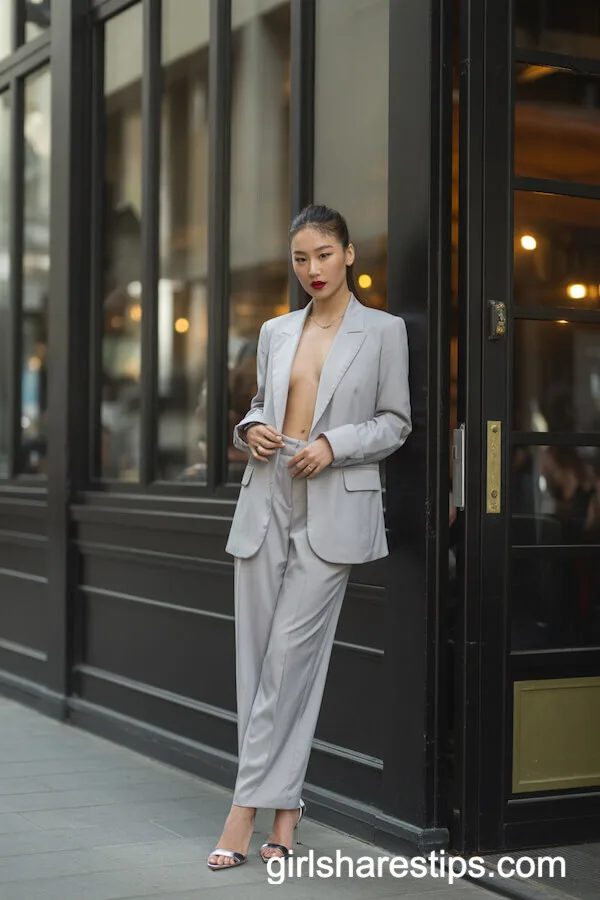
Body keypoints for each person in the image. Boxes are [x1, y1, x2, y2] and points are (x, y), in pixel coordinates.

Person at [207, 204, 412, 870]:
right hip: (266, 496)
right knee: (258, 665)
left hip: (332, 505)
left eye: (324, 254)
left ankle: (241, 813)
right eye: (301, 258)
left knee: (289, 663)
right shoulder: (274, 330)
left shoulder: (384, 331)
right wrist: (251, 430)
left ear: (349, 254)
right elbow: (260, 407)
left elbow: (394, 423)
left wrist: (333, 443)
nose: (312, 270)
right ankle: (286, 813)